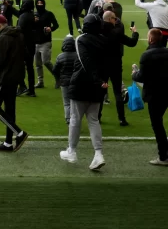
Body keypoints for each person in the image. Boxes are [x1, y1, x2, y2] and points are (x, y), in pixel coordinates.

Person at [60, 14, 109, 171]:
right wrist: (102, 80)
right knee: (93, 120)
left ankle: (72, 151)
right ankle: (98, 154)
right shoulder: (104, 40)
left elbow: (85, 60)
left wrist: (96, 79)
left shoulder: (81, 39)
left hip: (82, 83)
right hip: (98, 85)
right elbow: (108, 62)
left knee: (75, 119)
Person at [0, 14, 28, 152]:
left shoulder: (4, 38)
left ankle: (19, 133)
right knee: (10, 109)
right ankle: (8, 143)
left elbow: (0, 61)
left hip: (4, 78)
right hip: (15, 77)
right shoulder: (18, 35)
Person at [132, 28, 168, 166]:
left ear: (151, 39)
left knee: (157, 125)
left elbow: (142, 76)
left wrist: (134, 74)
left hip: (154, 94)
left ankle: (163, 156)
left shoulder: (146, 55)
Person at [102, 10, 138, 126]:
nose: (116, 20)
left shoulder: (98, 31)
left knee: (101, 91)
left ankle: (97, 116)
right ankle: (122, 119)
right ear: (110, 19)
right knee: (118, 92)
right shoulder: (116, 33)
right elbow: (132, 43)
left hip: (102, 65)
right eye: (114, 18)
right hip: (116, 65)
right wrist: (135, 33)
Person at [34, 0, 59, 89]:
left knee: (46, 62)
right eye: (38, 3)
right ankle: (40, 81)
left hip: (46, 41)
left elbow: (56, 25)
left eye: (41, 3)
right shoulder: (34, 15)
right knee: (37, 64)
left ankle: (57, 76)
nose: (40, 5)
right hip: (35, 42)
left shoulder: (49, 14)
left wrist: (50, 28)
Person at [53, 35, 77, 124]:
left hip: (65, 82)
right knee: (75, 102)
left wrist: (58, 79)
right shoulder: (78, 56)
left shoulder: (60, 56)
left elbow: (55, 70)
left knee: (66, 102)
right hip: (76, 82)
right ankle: (75, 119)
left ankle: (68, 119)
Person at [16, 0, 37, 97]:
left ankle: (22, 86)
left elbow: (19, 30)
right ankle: (32, 90)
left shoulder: (23, 16)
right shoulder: (33, 15)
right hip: (31, 44)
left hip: (23, 45)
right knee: (30, 67)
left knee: (19, 67)